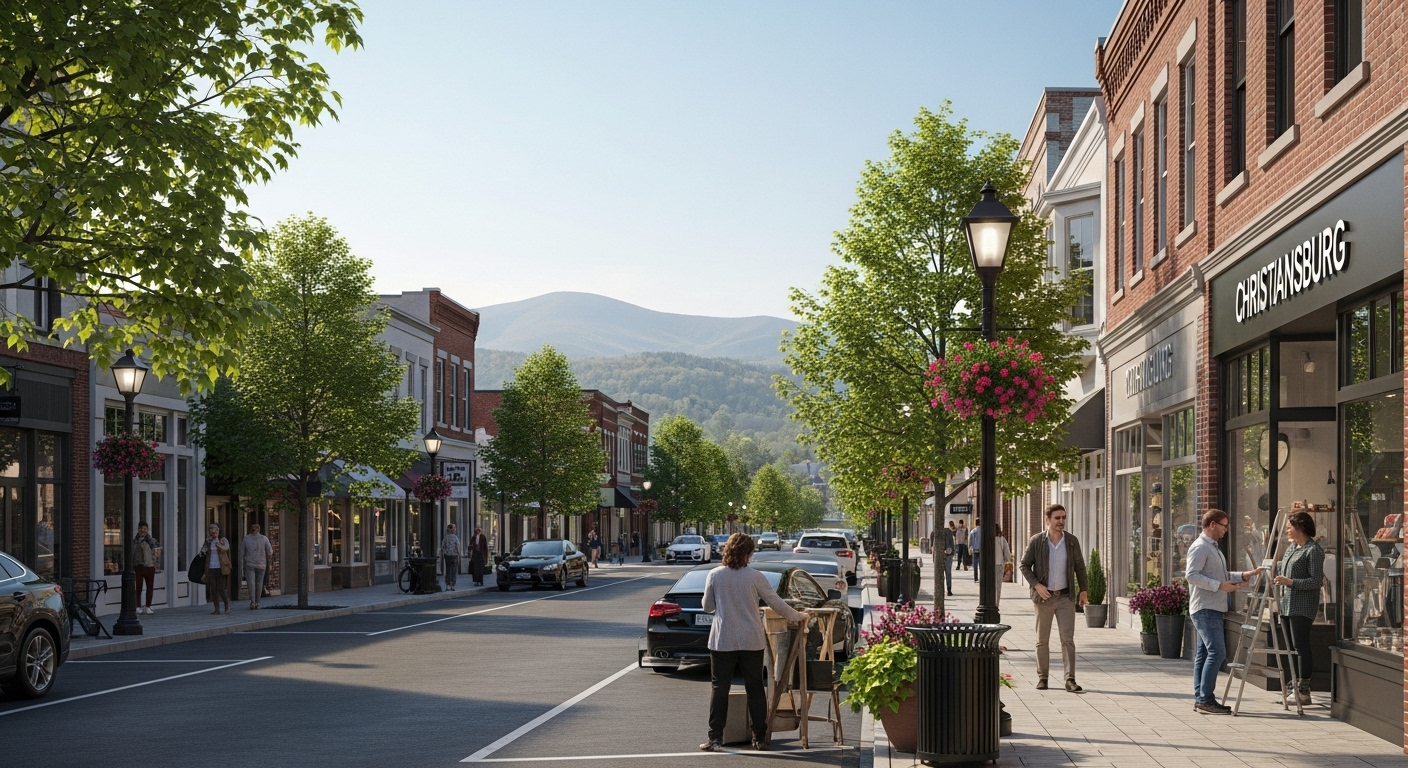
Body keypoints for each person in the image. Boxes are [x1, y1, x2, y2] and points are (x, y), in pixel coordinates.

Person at [700, 533, 809, 753]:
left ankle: (715, 738)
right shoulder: (755, 576)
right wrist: (798, 616)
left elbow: (707, 607)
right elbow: (776, 603)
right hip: (751, 639)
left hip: (722, 639)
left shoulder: (715, 575)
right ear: (748, 553)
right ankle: (760, 737)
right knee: (755, 688)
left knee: (720, 688)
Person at [1185, 508, 1261, 715]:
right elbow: (1191, 575)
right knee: (1217, 652)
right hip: (1206, 608)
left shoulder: (1212, 548)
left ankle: (1201, 698)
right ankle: (1205, 699)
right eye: (1224, 525)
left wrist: (1243, 576)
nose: (1225, 530)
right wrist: (1219, 586)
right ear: (1212, 524)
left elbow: (1220, 575)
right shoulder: (1201, 547)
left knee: (1204, 654)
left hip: (1212, 607)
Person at [1019, 504, 1089, 692]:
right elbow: (1024, 565)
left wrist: (1083, 590)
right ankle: (1043, 677)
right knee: (1042, 640)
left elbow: (1080, 567)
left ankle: (1070, 679)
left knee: (1067, 639)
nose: (1061, 521)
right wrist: (1037, 585)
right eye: (1057, 518)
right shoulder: (1037, 541)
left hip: (1065, 597)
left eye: (1063, 517)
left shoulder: (1071, 541)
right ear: (1047, 520)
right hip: (1044, 598)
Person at [1273, 511, 1324, 706]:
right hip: (1287, 604)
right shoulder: (1292, 548)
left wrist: (1291, 582)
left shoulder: (1313, 550)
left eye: (1290, 527)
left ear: (1300, 527)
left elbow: (1316, 581)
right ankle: (1292, 685)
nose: (1287, 530)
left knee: (1301, 646)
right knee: (1290, 648)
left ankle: (1303, 690)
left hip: (1302, 605)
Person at [240, 522, 272, 609]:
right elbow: (270, 551)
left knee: (251, 583)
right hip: (261, 564)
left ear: (251, 530)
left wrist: (243, 559)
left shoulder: (246, 539)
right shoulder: (264, 539)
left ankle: (252, 602)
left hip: (249, 563)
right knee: (259, 583)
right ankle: (257, 602)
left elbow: (241, 552)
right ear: (259, 530)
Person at [201, 523, 231, 615]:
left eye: (214, 533)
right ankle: (216, 609)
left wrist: (219, 545)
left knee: (221, 588)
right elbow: (203, 550)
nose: (212, 535)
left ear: (218, 532)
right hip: (211, 567)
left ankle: (227, 605)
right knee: (213, 589)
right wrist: (203, 551)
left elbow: (226, 548)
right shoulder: (208, 540)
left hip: (221, 567)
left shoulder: (223, 540)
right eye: (211, 533)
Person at [133, 522, 160, 615]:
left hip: (149, 567)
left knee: (150, 587)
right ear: (138, 530)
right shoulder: (135, 541)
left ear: (147, 530)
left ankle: (148, 606)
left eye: (145, 529)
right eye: (141, 528)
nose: (143, 530)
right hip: (138, 566)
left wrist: (156, 562)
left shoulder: (151, 541)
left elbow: (157, 551)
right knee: (138, 587)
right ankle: (138, 606)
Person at [933, 522, 954, 597]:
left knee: (940, 574)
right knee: (948, 574)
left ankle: (941, 590)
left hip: (940, 556)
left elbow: (934, 547)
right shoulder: (949, 533)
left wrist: (934, 559)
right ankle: (949, 589)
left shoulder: (936, 533)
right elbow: (952, 545)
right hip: (948, 556)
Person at [440, 523, 462, 591]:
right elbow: (457, 547)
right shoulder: (455, 538)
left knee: (448, 570)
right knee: (453, 570)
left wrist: (443, 552)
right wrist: (459, 554)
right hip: (454, 555)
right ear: (453, 530)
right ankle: (452, 584)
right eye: (454, 528)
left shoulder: (445, 538)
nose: (455, 529)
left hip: (447, 555)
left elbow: (442, 548)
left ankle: (448, 584)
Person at [994, 526, 1012, 605]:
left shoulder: (987, 539)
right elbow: (1007, 552)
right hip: (999, 564)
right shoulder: (1001, 539)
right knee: (998, 586)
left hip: (989, 566)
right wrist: (1008, 560)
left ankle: (990, 602)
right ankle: (996, 603)